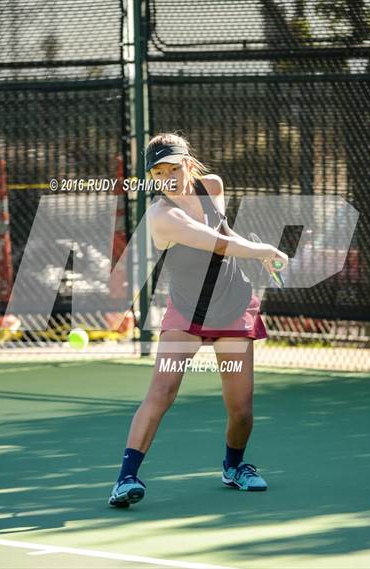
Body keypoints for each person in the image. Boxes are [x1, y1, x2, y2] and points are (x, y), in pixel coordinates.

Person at [108, 133, 288, 508]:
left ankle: (234, 467)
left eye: (174, 167)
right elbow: (216, 243)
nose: (168, 176)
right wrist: (264, 251)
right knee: (162, 392)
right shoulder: (161, 215)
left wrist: (256, 253)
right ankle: (126, 479)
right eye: (158, 171)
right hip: (187, 314)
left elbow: (222, 230)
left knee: (241, 408)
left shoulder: (213, 187)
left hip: (233, 307)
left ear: (188, 163)